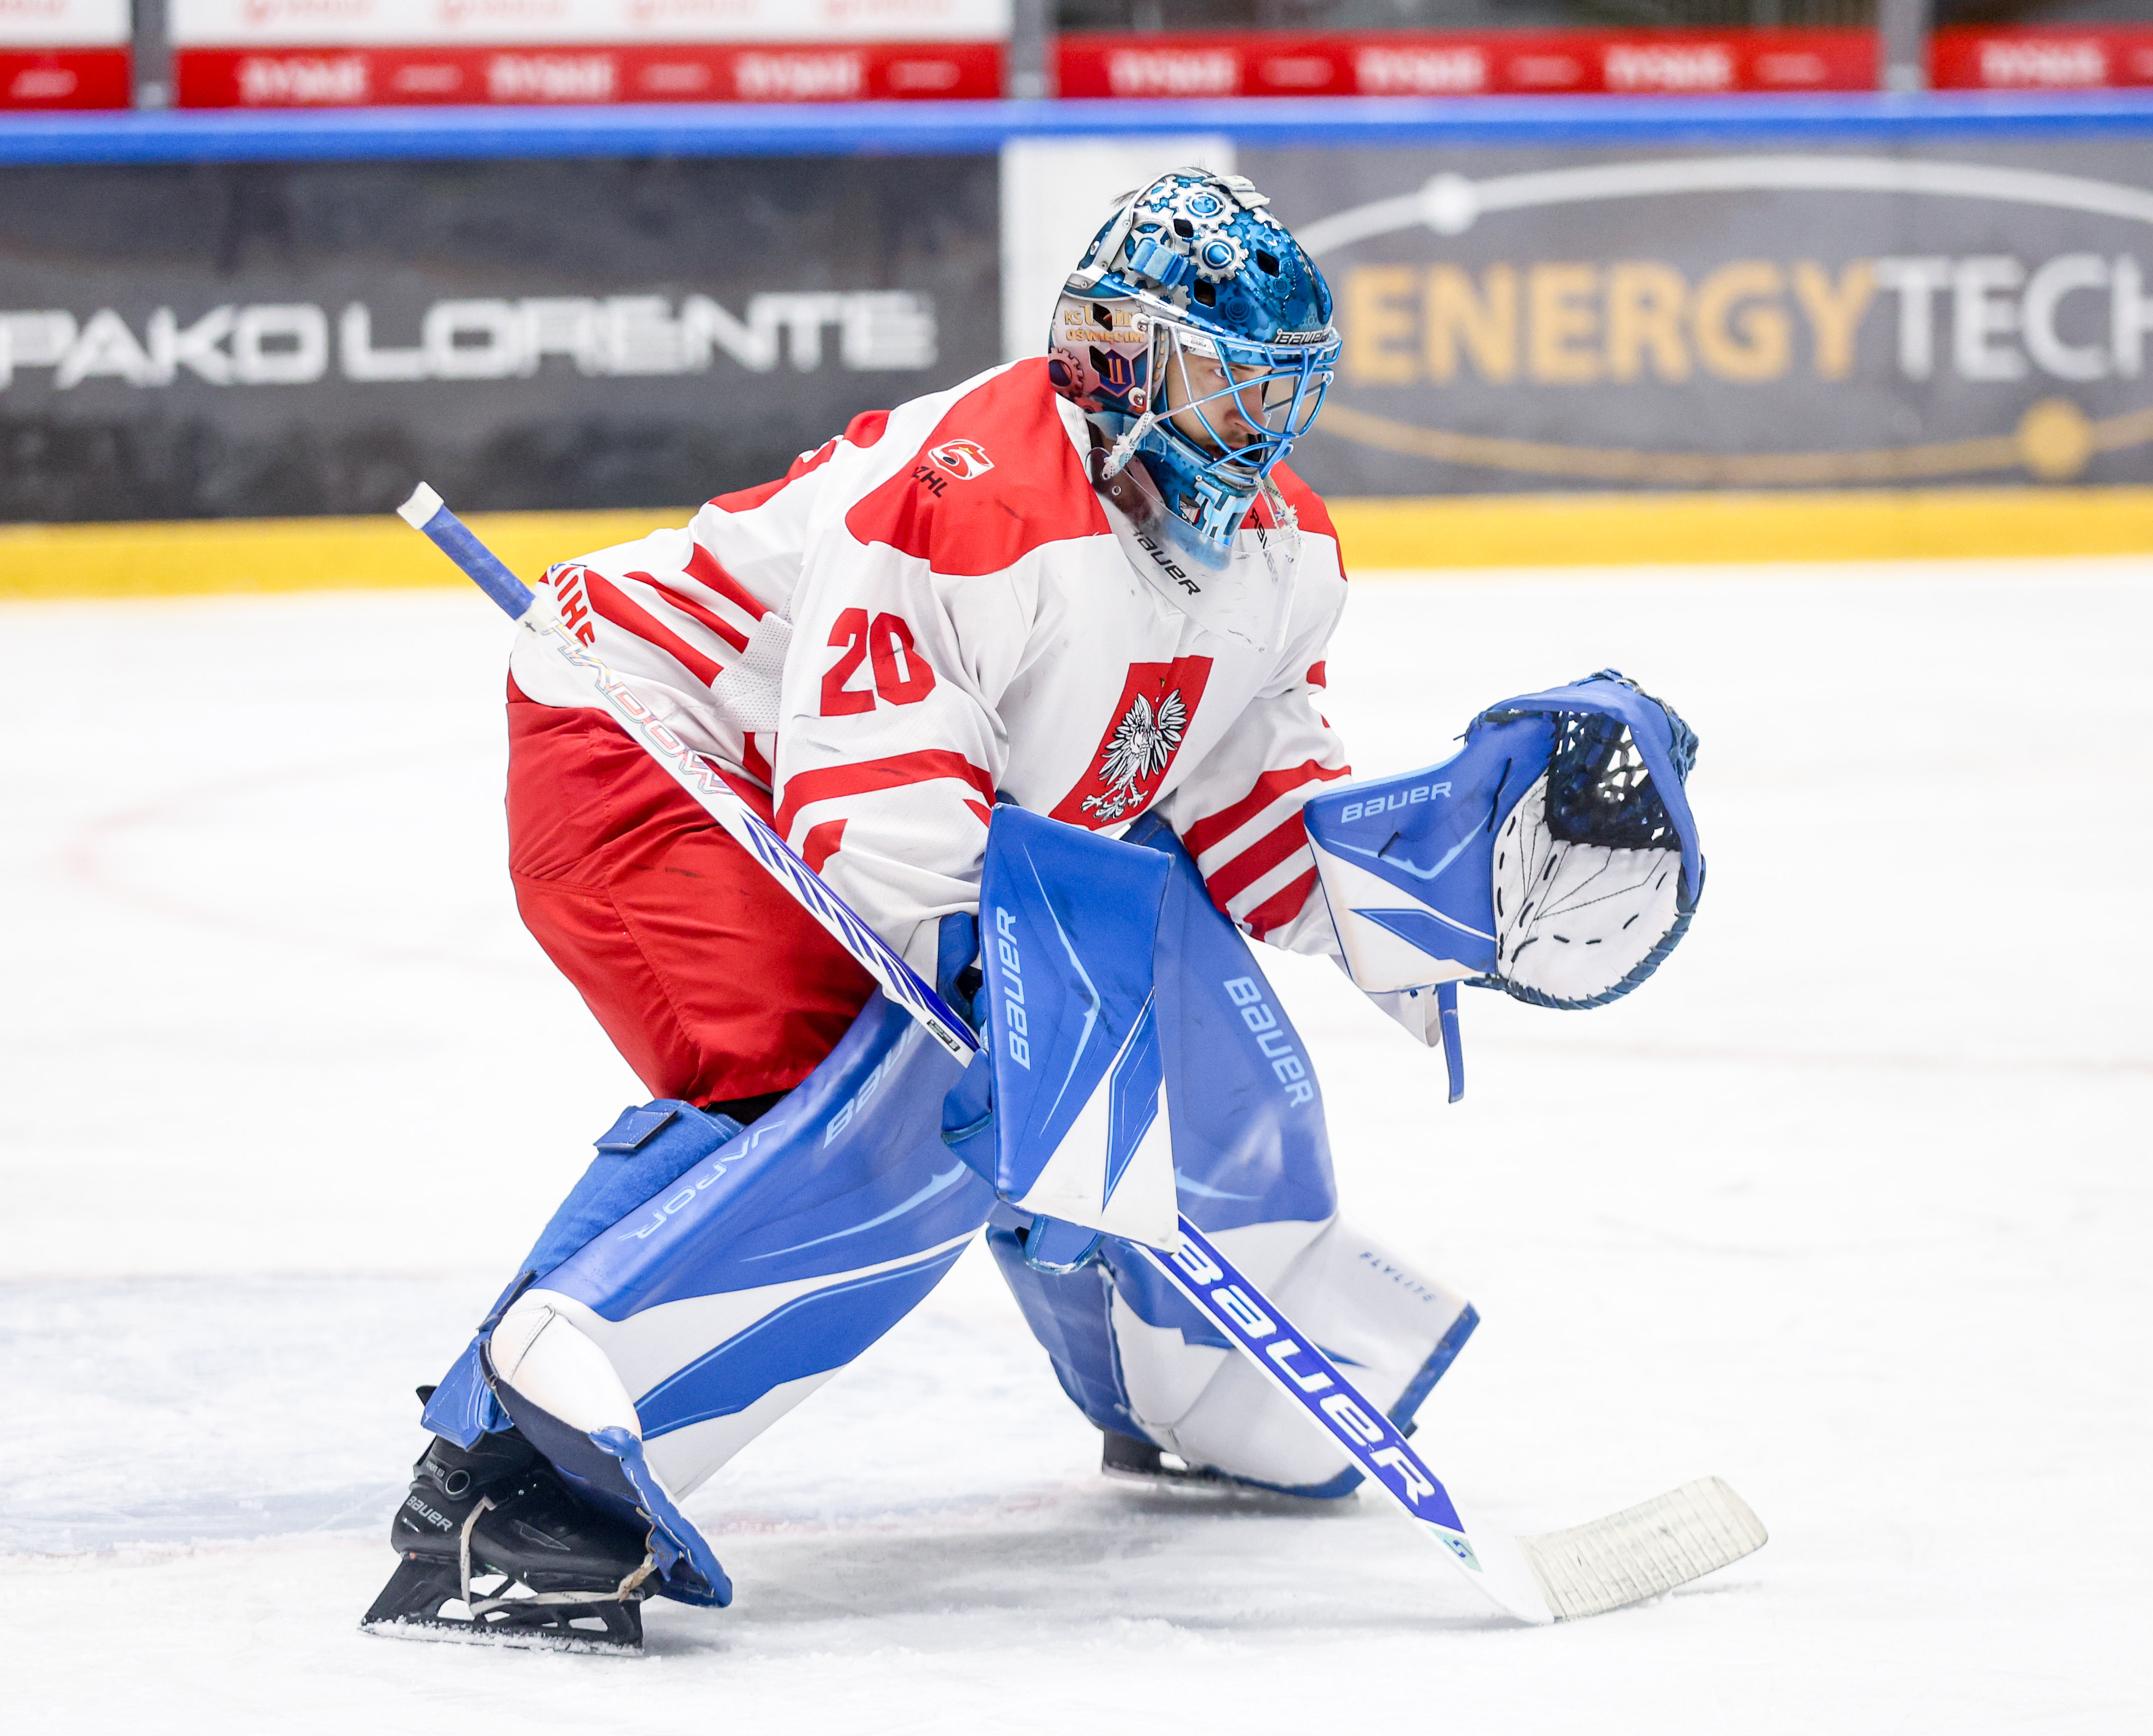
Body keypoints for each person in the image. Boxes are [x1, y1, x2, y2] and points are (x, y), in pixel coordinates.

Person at [361, 169, 1488, 1651]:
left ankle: (1186, 1382)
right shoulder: (978, 499)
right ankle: (511, 1479)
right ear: (1116, 355)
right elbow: (875, 811)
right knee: (849, 1083)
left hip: (861, 785)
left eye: (1284, 386)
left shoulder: (1281, 552)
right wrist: (1001, 1020)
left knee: (1135, 993)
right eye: (1229, 379)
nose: (1262, 424)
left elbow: (1248, 797)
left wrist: (1442, 906)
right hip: (653, 735)